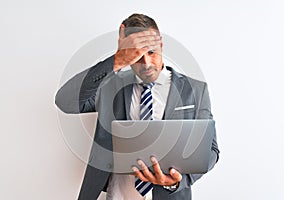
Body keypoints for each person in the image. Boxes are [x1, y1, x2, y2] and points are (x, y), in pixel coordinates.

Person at [55, 13, 219, 200]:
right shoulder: (111, 87)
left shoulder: (195, 90)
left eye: (151, 52)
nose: (146, 63)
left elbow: (211, 151)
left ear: (161, 45)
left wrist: (176, 181)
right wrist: (116, 60)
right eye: (137, 55)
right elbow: (65, 102)